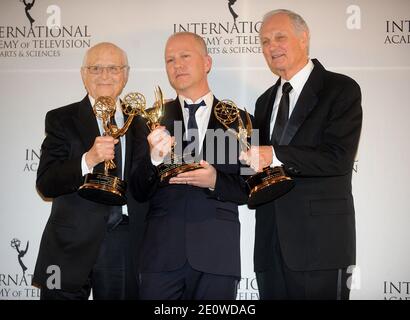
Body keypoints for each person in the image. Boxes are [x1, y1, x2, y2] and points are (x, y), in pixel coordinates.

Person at [241, 9, 362, 299]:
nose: (272, 47)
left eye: (280, 37)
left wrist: (275, 154)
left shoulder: (340, 89)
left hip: (320, 244)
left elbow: (338, 157)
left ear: (304, 38)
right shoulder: (263, 102)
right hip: (270, 246)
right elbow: (255, 169)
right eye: (265, 41)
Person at [130, 32, 249, 300]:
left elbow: (249, 189)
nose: (177, 65)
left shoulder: (239, 121)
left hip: (217, 257)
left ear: (207, 62)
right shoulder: (148, 122)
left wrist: (215, 181)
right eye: (170, 59)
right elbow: (137, 191)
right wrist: (154, 159)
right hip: (160, 257)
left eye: (185, 56)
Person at [32, 42, 147, 300]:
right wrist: (87, 159)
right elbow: (46, 183)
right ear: (83, 74)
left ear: (126, 74)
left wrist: (159, 157)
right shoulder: (61, 118)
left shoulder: (141, 123)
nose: (104, 75)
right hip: (67, 245)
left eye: (113, 68)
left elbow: (144, 187)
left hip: (123, 244)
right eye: (95, 68)